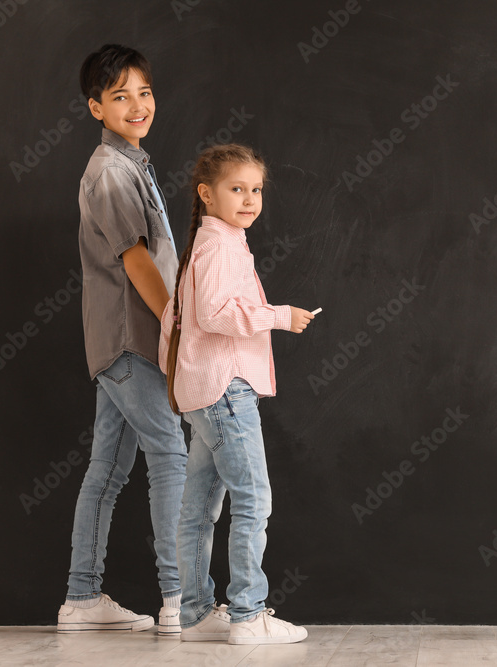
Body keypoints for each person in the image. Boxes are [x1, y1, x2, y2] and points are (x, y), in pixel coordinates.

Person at [57, 44, 188, 636]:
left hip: (121, 341)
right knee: (171, 456)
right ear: (95, 107)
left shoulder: (131, 161)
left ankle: (82, 599)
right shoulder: (111, 171)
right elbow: (135, 259)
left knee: (107, 469)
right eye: (119, 96)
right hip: (131, 338)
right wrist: (175, 325)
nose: (137, 105)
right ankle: (180, 597)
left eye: (144, 92)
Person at [160, 143, 314, 644]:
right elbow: (214, 315)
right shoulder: (220, 247)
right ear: (207, 193)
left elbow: (175, 321)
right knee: (253, 500)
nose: (249, 199)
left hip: (206, 390)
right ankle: (248, 615)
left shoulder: (211, 244)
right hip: (226, 391)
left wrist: (184, 379)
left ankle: (196, 615)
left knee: (198, 508)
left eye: (256, 190)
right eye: (236, 189)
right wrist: (280, 316)